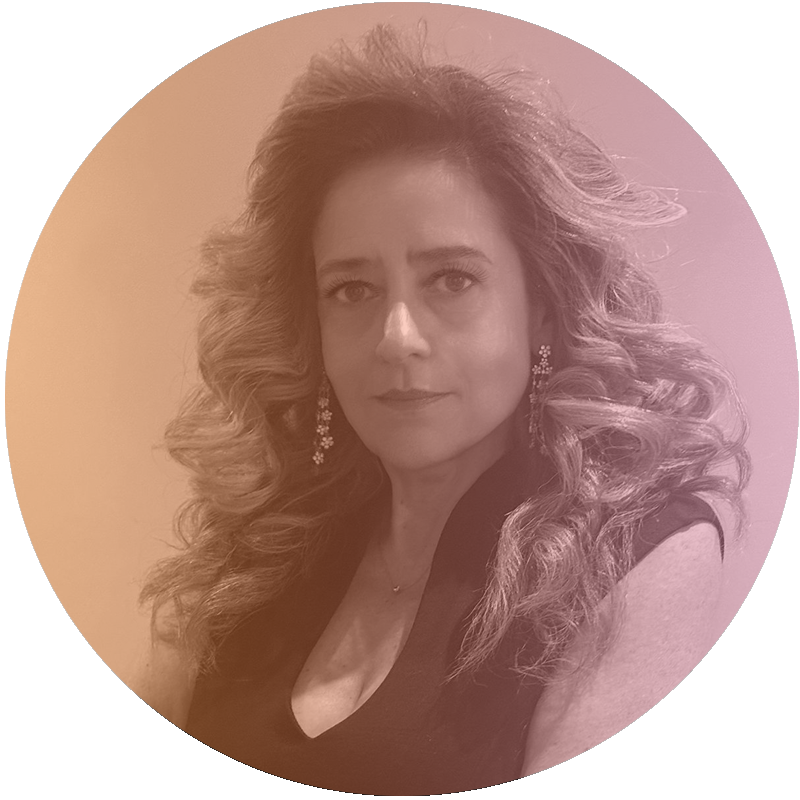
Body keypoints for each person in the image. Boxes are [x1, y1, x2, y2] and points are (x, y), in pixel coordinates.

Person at [134, 25, 749, 794]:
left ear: (543, 310)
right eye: (352, 289)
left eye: (452, 280)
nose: (397, 337)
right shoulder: (254, 555)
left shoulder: (637, 553)